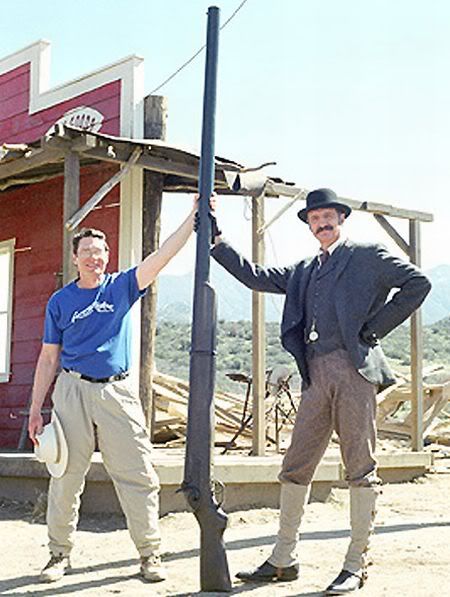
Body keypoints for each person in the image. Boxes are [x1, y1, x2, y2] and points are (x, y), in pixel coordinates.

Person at [210, 188, 431, 595]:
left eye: (328, 216)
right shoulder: (304, 270)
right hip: (314, 374)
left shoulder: (367, 255)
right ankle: (283, 558)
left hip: (354, 371)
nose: (322, 223)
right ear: (310, 225)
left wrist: (374, 330)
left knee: (359, 466)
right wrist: (216, 241)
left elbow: (418, 283)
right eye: (315, 218)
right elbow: (256, 276)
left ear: (341, 219)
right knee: (296, 464)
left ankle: (355, 564)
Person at [28, 202, 197, 584]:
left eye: (100, 251)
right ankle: (58, 554)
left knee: (137, 473)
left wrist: (192, 219)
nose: (94, 257)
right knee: (65, 476)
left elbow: (162, 256)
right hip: (71, 390)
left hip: (117, 391)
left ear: (108, 257)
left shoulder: (122, 286)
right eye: (86, 251)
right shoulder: (60, 302)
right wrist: (36, 409)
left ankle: (150, 553)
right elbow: (48, 357)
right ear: (75, 258)